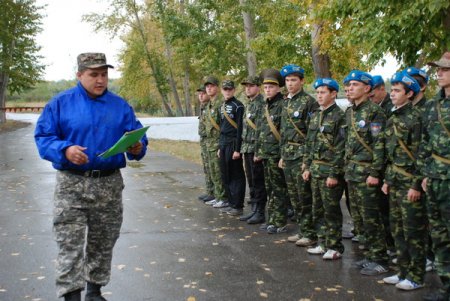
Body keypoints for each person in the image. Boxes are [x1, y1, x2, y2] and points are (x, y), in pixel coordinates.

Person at [34, 53, 148, 301]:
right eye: (93, 74)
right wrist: (65, 149)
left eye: (104, 74)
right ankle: (71, 296)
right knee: (69, 244)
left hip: (108, 184)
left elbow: (137, 135)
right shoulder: (60, 103)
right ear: (79, 75)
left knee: (103, 240)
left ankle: (94, 292)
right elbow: (43, 138)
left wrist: (138, 147)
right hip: (71, 185)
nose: (100, 80)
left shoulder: (119, 105)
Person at [381, 72, 426, 291]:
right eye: (392, 89)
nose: (392, 94)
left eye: (398, 91)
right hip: (396, 181)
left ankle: (416, 276)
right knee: (397, 229)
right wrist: (388, 180)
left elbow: (421, 154)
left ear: (410, 94)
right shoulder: (393, 117)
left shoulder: (416, 118)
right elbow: (391, 154)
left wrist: (416, 185)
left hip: (409, 183)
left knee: (413, 231)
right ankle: (402, 272)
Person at [344, 70, 389, 276]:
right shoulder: (350, 112)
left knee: (372, 216)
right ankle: (370, 254)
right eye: (348, 85)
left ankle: (380, 258)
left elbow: (379, 145)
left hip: (367, 173)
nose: (350, 88)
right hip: (352, 172)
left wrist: (375, 172)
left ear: (367, 88)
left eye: (354, 85)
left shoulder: (374, 112)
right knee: (360, 217)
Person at [302, 78, 346, 259]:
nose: (319, 96)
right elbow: (310, 143)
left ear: (333, 94)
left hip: (329, 171)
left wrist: (335, 173)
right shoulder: (316, 116)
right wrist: (307, 166)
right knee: (317, 208)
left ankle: (334, 246)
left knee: (331, 210)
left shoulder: (339, 117)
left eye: (323, 92)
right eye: (317, 92)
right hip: (316, 170)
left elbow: (341, 147)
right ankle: (322, 242)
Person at [420, 52, 450, 301]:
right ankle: (446, 285)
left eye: (445, 70)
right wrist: (426, 173)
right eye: (438, 69)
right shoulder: (433, 105)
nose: (438, 73)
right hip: (436, 180)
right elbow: (425, 143)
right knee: (439, 236)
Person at [278, 64, 318, 246]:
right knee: (294, 197)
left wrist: (307, 161)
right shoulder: (285, 102)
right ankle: (302, 230)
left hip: (301, 155)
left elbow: (312, 134)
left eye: (294, 80)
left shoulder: (309, 102)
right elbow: (283, 132)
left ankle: (310, 233)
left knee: (304, 197)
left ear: (302, 81)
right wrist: (282, 155)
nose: (290, 83)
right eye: (287, 80)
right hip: (288, 155)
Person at [254, 68, 289, 234]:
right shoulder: (265, 106)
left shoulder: (283, 105)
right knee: (271, 189)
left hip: (277, 155)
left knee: (279, 189)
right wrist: (258, 151)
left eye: (271, 87)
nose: (267, 90)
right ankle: (273, 219)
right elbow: (261, 131)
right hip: (267, 154)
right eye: (265, 87)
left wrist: (283, 155)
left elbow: (285, 133)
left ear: (279, 88)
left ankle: (280, 221)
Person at [239, 75, 268, 224]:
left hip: (256, 148)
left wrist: (259, 150)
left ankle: (260, 212)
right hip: (247, 147)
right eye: (246, 86)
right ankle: (254, 209)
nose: (247, 88)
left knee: (258, 181)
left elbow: (261, 130)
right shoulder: (249, 104)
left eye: (251, 85)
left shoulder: (261, 103)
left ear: (258, 87)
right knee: (251, 180)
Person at [217, 80, 246, 216]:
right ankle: (230, 201)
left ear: (234, 90)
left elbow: (240, 128)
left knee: (236, 175)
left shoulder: (238, 106)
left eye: (229, 89)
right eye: (225, 89)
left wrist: (237, 149)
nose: (227, 91)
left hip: (233, 143)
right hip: (223, 143)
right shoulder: (221, 106)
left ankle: (238, 205)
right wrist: (219, 146)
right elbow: (221, 127)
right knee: (225, 174)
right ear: (222, 90)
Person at [202, 76, 228, 207]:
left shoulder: (220, 104)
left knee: (219, 172)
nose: (209, 88)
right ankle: (218, 195)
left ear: (217, 88)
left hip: (217, 143)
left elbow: (224, 125)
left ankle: (223, 197)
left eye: (211, 86)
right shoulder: (209, 105)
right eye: (207, 86)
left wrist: (221, 145)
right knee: (213, 171)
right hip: (209, 144)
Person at [196, 85, 215, 202]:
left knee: (212, 167)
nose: (201, 95)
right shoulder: (202, 107)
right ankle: (210, 190)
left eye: (203, 93)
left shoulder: (210, 107)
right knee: (206, 167)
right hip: (204, 141)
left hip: (210, 140)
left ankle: (215, 192)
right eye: (199, 94)